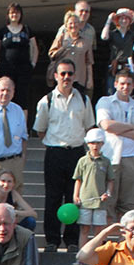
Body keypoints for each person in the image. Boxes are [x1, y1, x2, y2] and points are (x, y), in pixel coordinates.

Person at [33, 58, 96, 252]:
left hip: (77, 154)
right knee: (52, 198)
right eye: (63, 74)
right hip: (54, 153)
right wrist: (56, 143)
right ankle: (52, 240)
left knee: (75, 198)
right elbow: (40, 130)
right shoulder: (47, 101)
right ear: (56, 76)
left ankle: (71, 241)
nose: (66, 77)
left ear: (74, 76)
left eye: (70, 73)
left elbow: (89, 127)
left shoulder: (84, 99)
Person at [96, 69, 134, 218]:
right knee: (108, 201)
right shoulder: (105, 102)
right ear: (116, 84)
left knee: (130, 205)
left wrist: (118, 129)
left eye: (129, 84)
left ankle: (124, 240)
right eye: (122, 83)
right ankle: (106, 239)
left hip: (133, 159)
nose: (125, 87)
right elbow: (106, 125)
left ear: (133, 86)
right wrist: (132, 126)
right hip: (111, 157)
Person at [71, 127, 115, 261]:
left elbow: (110, 180)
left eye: (98, 143)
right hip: (85, 201)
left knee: (99, 231)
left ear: (102, 144)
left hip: (100, 202)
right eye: (92, 143)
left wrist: (108, 192)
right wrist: (75, 196)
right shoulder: (82, 161)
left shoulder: (106, 161)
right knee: (84, 229)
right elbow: (78, 179)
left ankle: (98, 258)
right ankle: (81, 257)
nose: (95, 146)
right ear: (87, 143)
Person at [0, 3, 38, 106]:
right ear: (8, 15)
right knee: (6, 95)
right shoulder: (2, 31)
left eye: (17, 12)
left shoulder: (27, 29)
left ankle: (22, 121)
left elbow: (34, 47)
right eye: (12, 13)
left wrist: (32, 63)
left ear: (21, 14)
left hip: (23, 69)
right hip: (7, 69)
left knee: (22, 97)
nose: (14, 15)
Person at [49, 10, 93, 94]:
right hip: (63, 78)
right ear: (66, 25)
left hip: (79, 79)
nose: (73, 25)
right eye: (70, 23)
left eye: (76, 23)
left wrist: (89, 80)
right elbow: (52, 55)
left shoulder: (85, 41)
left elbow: (89, 62)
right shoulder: (61, 38)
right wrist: (63, 48)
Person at [101, 7, 134, 97]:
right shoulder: (113, 33)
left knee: (129, 91)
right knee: (111, 91)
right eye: (121, 18)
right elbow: (104, 37)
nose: (124, 20)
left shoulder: (132, 34)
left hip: (127, 65)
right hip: (114, 66)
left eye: (126, 18)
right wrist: (109, 20)